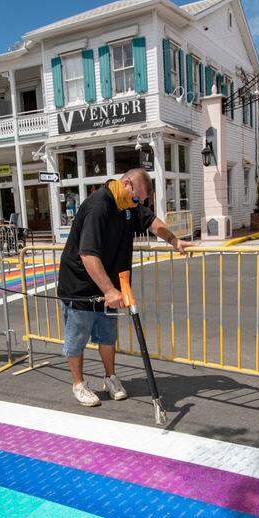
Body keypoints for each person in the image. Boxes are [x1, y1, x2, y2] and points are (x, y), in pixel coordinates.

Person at [56, 168, 193, 407]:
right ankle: (78, 384)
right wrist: (109, 290)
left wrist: (173, 240)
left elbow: (151, 221)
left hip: (109, 287)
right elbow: (88, 254)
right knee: (76, 338)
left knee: (107, 336)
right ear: (126, 184)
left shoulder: (128, 204)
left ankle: (110, 378)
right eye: (137, 198)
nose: (137, 203)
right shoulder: (99, 206)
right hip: (80, 285)